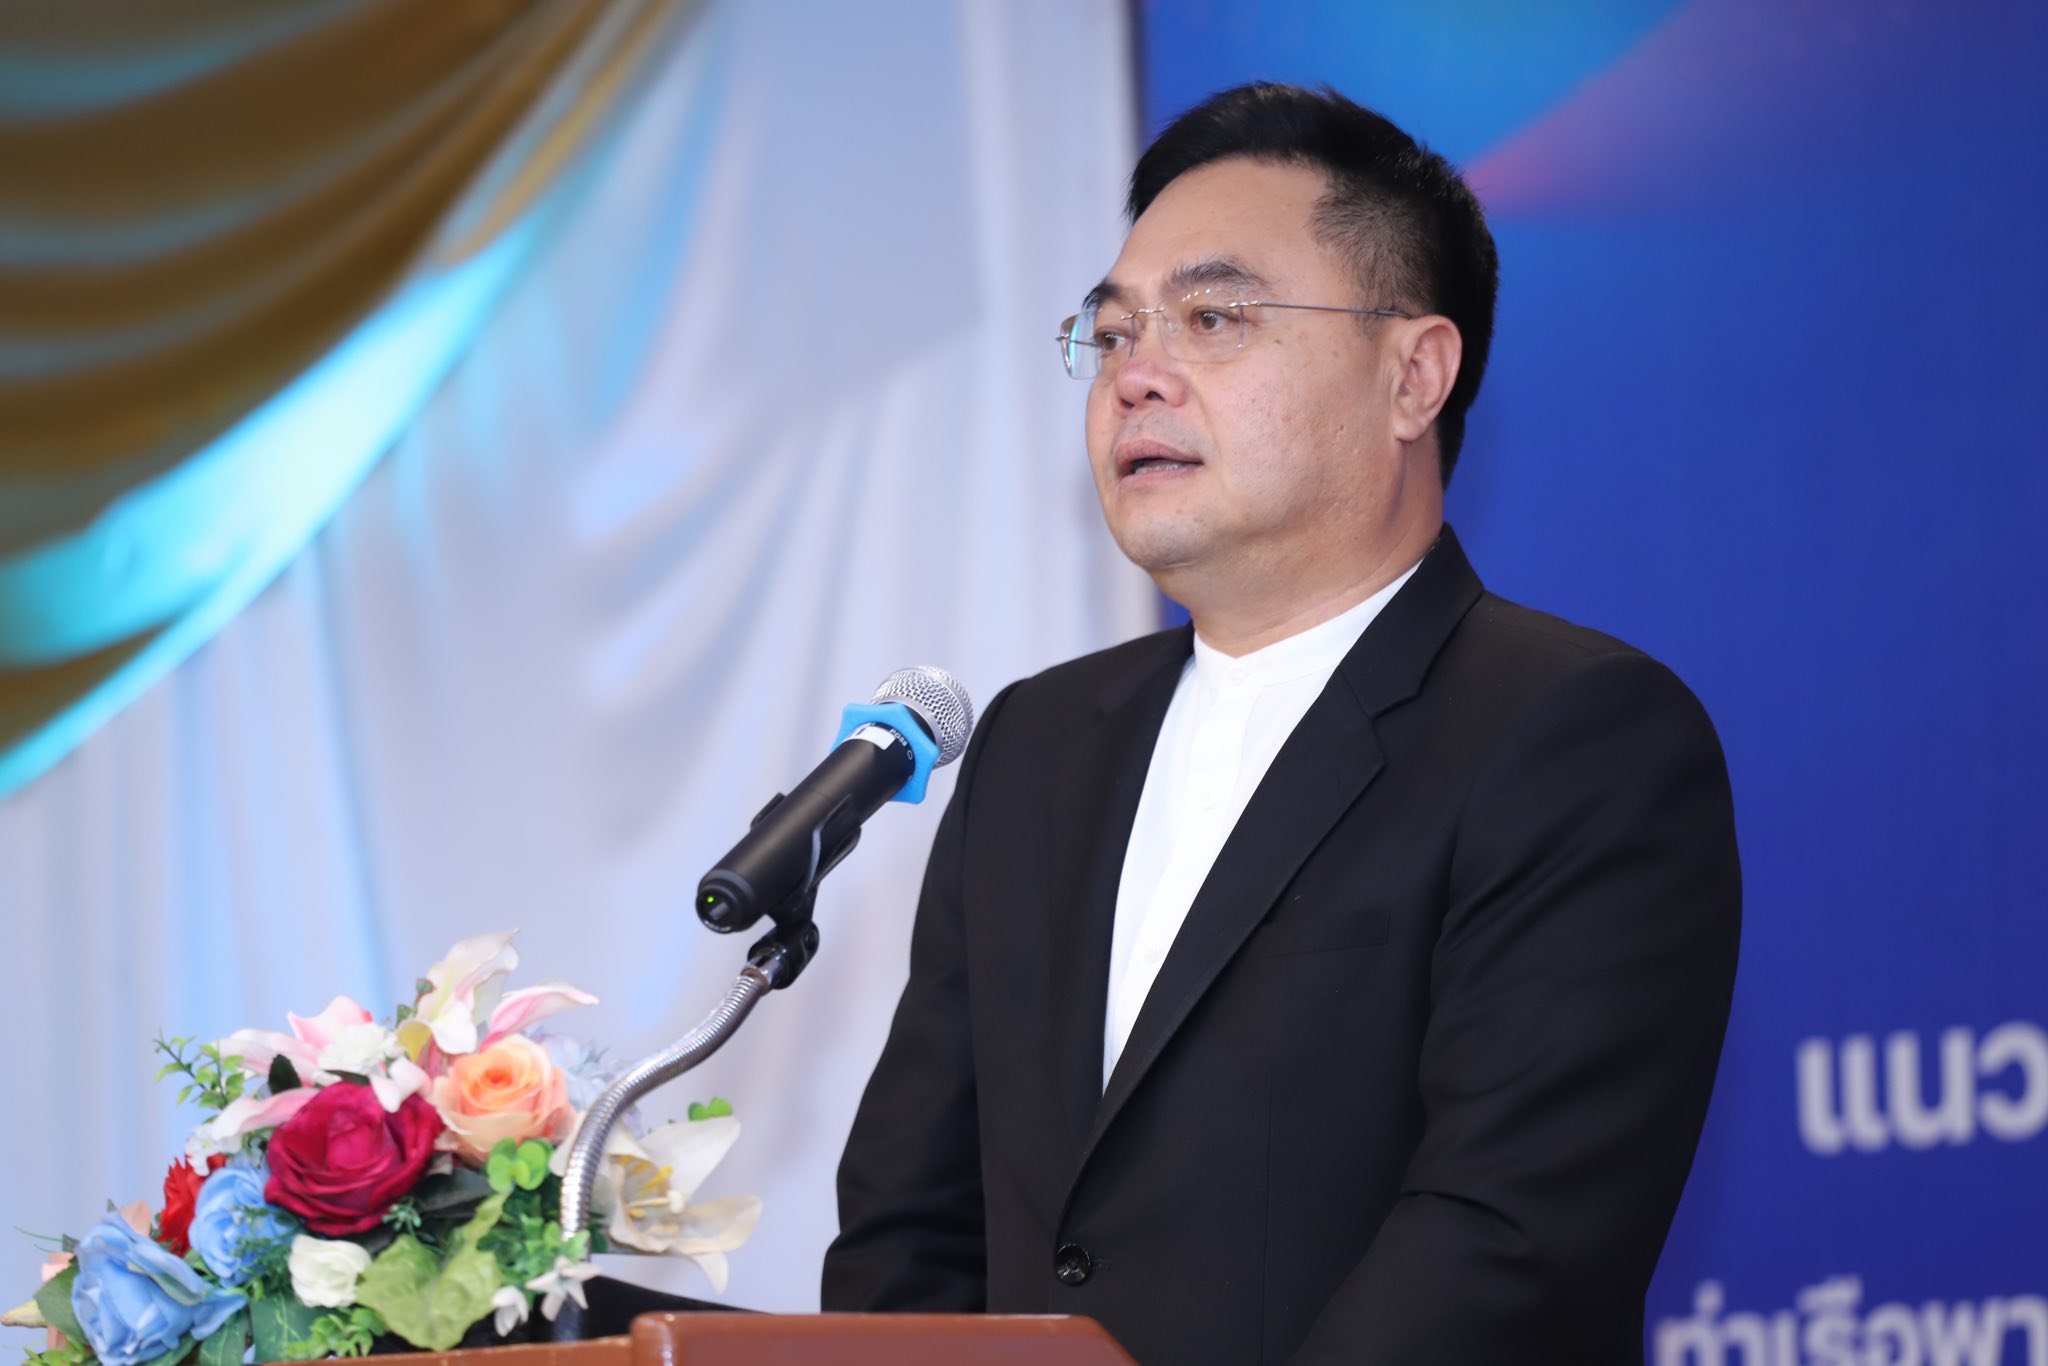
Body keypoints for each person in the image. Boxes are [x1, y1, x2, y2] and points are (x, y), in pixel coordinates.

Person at [821, 83, 1740, 1365]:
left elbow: (1500, 1250)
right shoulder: (1037, 746)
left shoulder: (1572, 737)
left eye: (1212, 318)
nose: (1135, 376)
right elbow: (908, 1236)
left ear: (1412, 375)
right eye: (1111, 331)